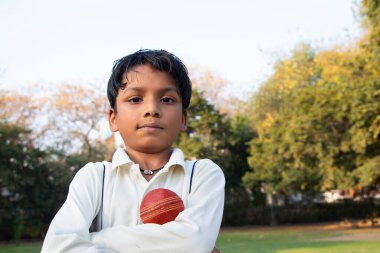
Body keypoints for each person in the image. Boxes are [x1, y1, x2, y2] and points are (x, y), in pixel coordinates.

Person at [41, 49, 225, 253]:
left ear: (183, 119)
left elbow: (194, 242)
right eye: (135, 99)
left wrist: (96, 239)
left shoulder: (203, 174)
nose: (152, 109)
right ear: (113, 118)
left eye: (167, 99)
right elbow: (58, 248)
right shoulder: (94, 177)